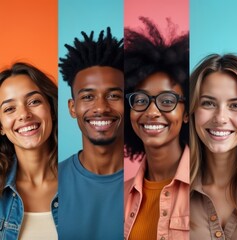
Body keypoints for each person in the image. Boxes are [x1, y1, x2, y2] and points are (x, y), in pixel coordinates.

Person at [123, 17, 190, 240]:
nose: (151, 112)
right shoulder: (119, 195)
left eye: (167, 100)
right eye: (141, 100)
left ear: (187, 112)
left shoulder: (209, 189)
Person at [58, 27, 124, 240]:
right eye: (88, 97)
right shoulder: (51, 181)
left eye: (113, 95)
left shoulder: (153, 179)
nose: (101, 107)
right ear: (72, 107)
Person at [189, 54, 237, 239]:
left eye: (235, 105)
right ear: (193, 111)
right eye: (208, 103)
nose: (220, 118)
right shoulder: (173, 190)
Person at [0, 63, 58, 240]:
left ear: (51, 110)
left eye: (34, 101)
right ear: (1, 126)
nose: (24, 114)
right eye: (9, 108)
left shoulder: (84, 183)